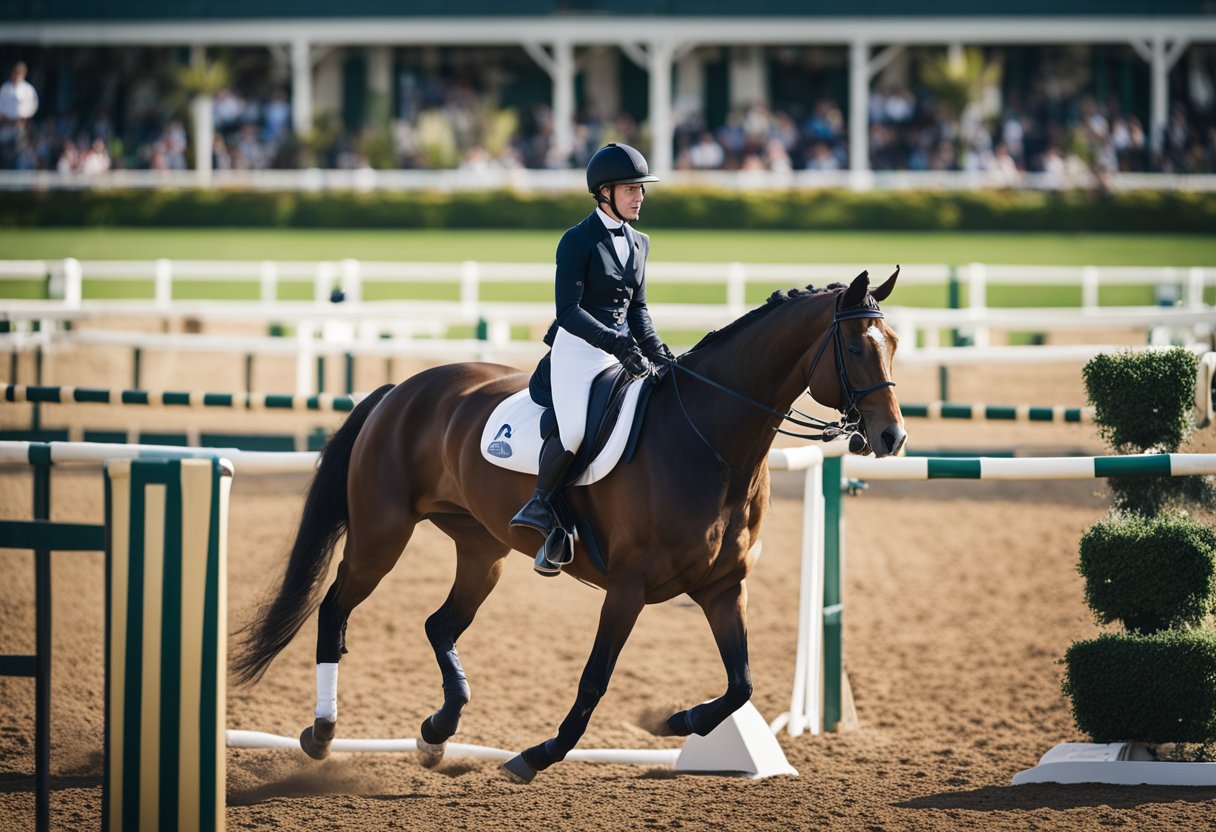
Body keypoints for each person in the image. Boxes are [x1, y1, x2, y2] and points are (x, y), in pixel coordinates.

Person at [510, 142, 675, 575]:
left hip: (621, 348)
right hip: (578, 350)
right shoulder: (577, 240)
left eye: (641, 189)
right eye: (630, 189)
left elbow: (637, 309)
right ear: (604, 193)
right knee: (578, 431)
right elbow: (568, 311)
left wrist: (660, 353)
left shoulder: (640, 242)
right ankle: (541, 507)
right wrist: (614, 343)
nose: (640, 196)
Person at [0, 62, 38, 169]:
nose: (16, 75)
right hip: (5, 126)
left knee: (22, 152)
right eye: (15, 73)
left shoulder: (28, 89)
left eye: (19, 73)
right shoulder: (5, 88)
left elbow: (32, 108)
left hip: (22, 126)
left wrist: (22, 120)